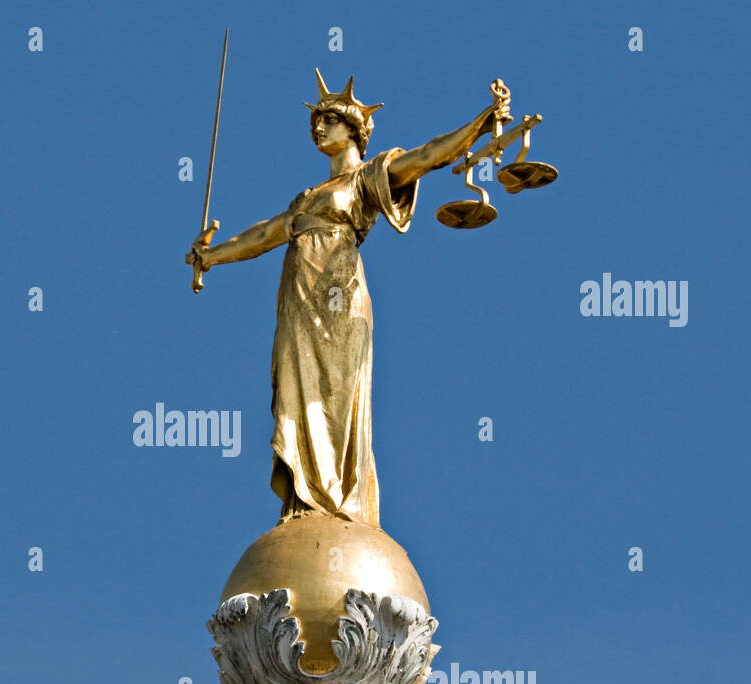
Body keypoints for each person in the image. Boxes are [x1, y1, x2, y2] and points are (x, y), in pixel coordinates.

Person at [187, 70, 510, 528]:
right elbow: (262, 235)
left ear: (355, 130)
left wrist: (481, 123)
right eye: (315, 121)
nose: (318, 128)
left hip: (340, 297)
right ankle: (305, 496)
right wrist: (211, 256)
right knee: (295, 396)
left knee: (337, 393)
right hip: (298, 301)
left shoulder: (366, 178)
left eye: (329, 120)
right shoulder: (305, 197)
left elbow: (429, 155)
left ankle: (340, 498)